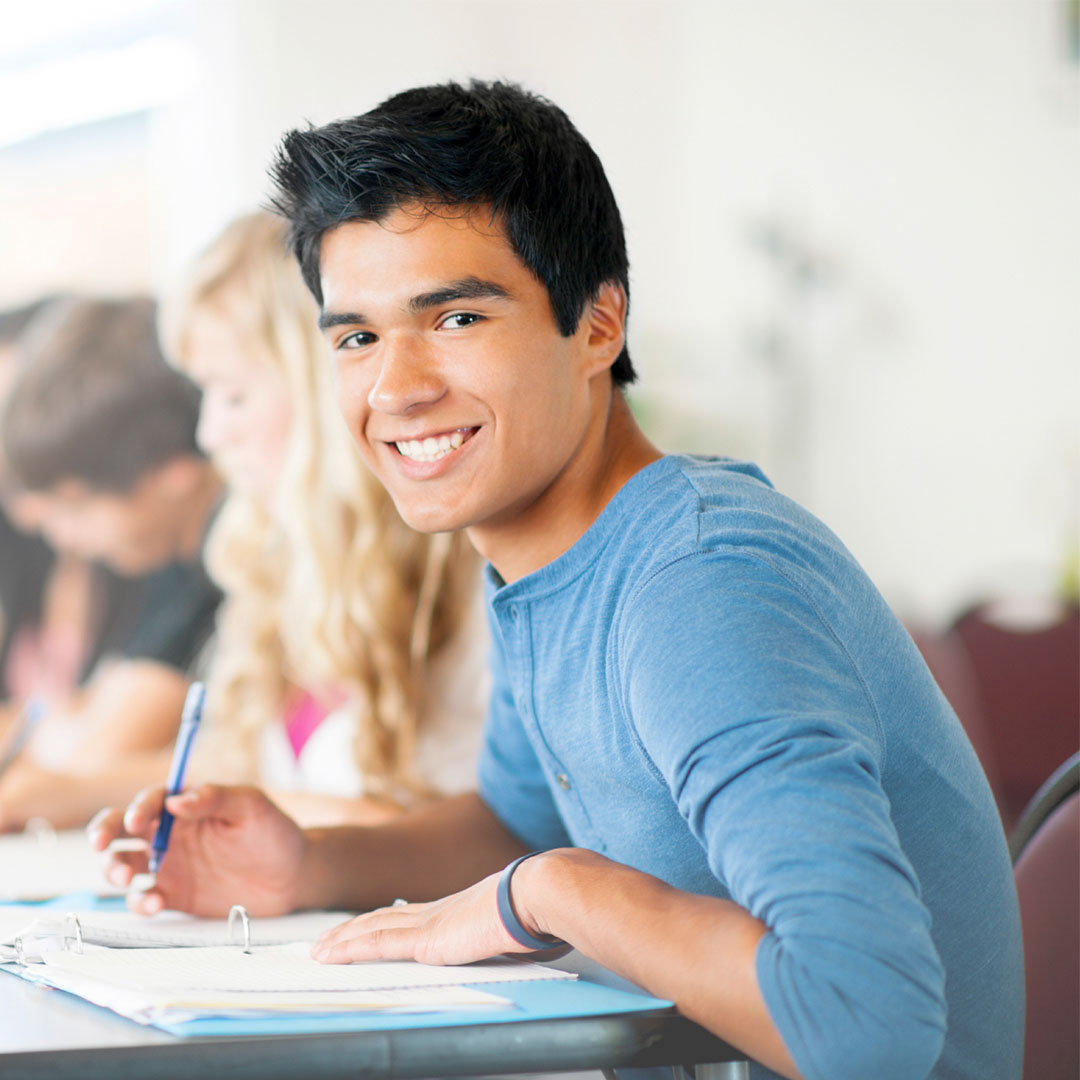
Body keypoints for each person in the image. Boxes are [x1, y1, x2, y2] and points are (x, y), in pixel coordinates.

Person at [95, 81, 1023, 1080]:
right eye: (357, 336)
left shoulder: (701, 586)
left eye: (453, 318)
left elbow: (865, 1031)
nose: (397, 387)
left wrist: (552, 891)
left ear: (597, 326)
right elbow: (516, 820)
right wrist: (308, 865)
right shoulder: (547, 561)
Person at [159, 211, 487, 825]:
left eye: (232, 394)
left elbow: (514, 840)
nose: (210, 434)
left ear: (318, 391)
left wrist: (260, 820)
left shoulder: (474, 577)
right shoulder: (283, 569)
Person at [0, 297, 223, 829]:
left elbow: (103, 747)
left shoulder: (189, 565)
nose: (47, 526)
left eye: (74, 505)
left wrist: (60, 786)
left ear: (174, 469)